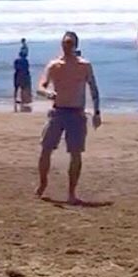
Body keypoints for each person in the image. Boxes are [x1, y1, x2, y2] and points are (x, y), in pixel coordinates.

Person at [36, 31, 101, 205]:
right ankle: (43, 183)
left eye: (70, 43)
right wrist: (47, 92)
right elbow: (40, 86)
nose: (67, 46)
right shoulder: (54, 65)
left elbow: (93, 89)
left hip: (76, 113)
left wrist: (97, 112)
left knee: (76, 153)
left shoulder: (84, 65)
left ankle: (72, 192)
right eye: (65, 43)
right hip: (57, 112)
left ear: (75, 45)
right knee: (46, 148)